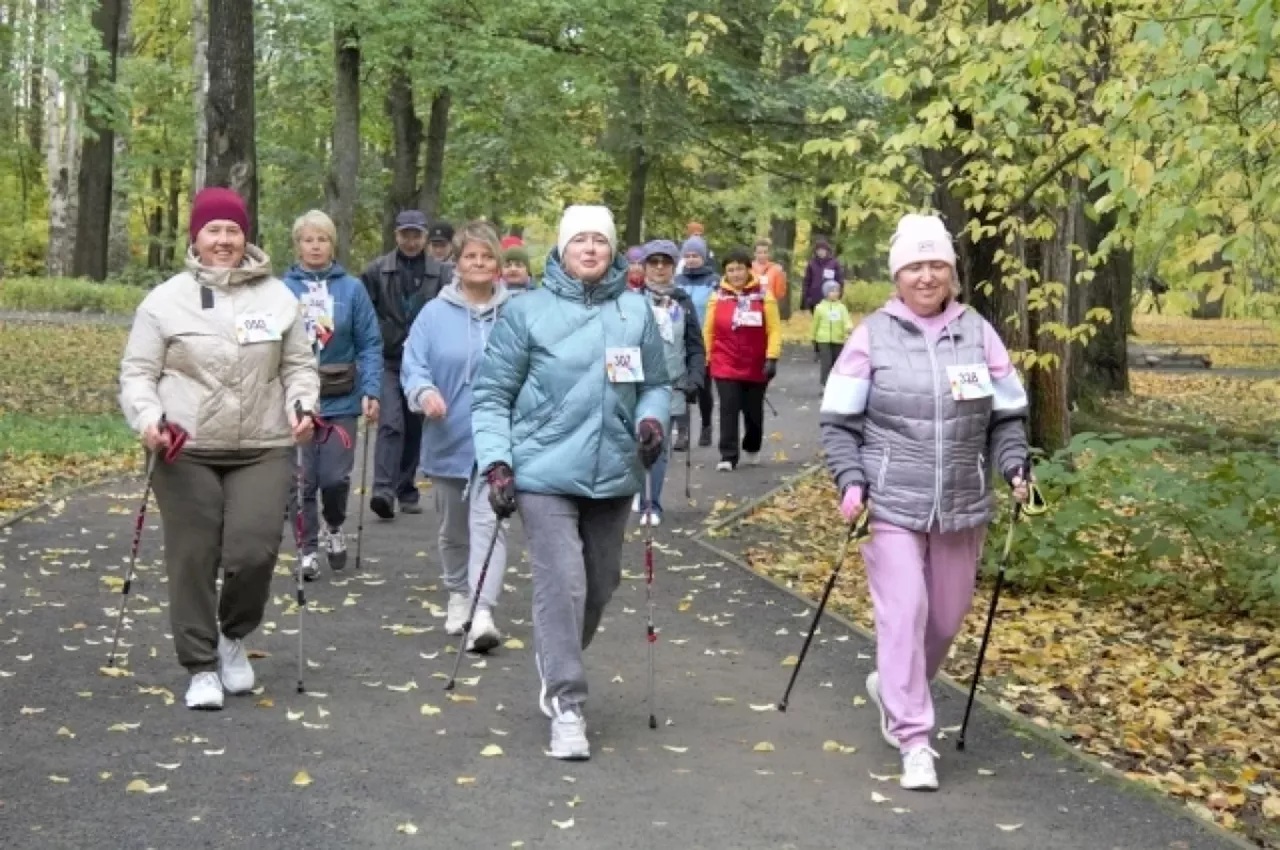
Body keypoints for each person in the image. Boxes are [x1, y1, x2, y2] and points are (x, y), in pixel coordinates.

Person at [819, 213, 1032, 792]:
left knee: (944, 618)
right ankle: (914, 736)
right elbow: (838, 422)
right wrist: (851, 480)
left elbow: (1008, 415)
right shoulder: (872, 335)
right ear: (897, 274)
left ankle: (893, 684)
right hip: (890, 502)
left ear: (952, 273)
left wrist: (1015, 465)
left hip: (963, 501)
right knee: (905, 611)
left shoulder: (979, 333)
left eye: (937, 264)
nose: (927, 275)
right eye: (915, 265)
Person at [472, 205, 670, 760]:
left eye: (599, 242)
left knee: (600, 584)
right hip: (542, 472)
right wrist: (498, 462)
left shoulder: (635, 313)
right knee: (563, 583)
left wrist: (653, 422)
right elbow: (491, 395)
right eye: (578, 241)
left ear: (612, 251)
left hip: (615, 473)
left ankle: (555, 655)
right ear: (560, 250)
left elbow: (656, 384)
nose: (589, 249)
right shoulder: (527, 313)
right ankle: (566, 702)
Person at [119, 187, 319, 711]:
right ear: (196, 237)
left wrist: (302, 405)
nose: (225, 240)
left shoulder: (278, 297)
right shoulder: (164, 300)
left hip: (263, 443)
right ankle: (200, 666)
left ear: (245, 236)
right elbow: (138, 373)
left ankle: (233, 636)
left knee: (253, 551)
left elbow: (298, 365)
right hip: (185, 445)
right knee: (193, 554)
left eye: (233, 230)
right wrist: (148, 418)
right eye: (214, 230)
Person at [402, 221, 512, 652]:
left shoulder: (516, 313)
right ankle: (457, 593)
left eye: (487, 257)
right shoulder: (433, 313)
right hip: (448, 433)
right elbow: (414, 364)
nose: (479, 263)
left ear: (497, 264)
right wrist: (424, 392)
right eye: (471, 256)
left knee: (492, 523)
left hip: (499, 438)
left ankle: (483, 610)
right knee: (453, 528)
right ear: (458, 263)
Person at [282, 210, 383, 580]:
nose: (315, 246)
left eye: (322, 239)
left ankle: (334, 526)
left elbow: (369, 343)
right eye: (308, 239)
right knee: (301, 479)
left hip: (341, 395)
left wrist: (372, 389)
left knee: (334, 478)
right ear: (297, 245)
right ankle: (307, 550)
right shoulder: (282, 289)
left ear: (332, 244)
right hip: (297, 401)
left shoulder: (352, 289)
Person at [360, 210, 452, 520]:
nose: (411, 241)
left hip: (424, 362)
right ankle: (383, 490)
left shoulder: (441, 274)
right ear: (396, 235)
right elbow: (366, 314)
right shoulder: (376, 271)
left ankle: (406, 488)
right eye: (405, 234)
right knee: (391, 423)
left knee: (414, 426)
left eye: (417, 235)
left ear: (425, 237)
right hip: (387, 358)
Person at [634, 238, 705, 524]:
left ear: (673, 266)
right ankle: (637, 491)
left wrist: (695, 377)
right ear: (645, 266)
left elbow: (695, 345)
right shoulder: (631, 299)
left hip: (671, 384)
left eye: (665, 262)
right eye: (654, 262)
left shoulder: (682, 301)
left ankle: (652, 503)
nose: (660, 267)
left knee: (658, 445)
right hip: (635, 384)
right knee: (634, 444)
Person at [703, 246, 781, 471]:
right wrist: (705, 359)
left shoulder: (764, 295)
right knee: (728, 407)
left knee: (752, 410)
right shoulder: (717, 296)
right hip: (724, 361)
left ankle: (752, 445)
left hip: (756, 363)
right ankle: (728, 455)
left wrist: (772, 357)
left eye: (739, 269)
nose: (735, 274)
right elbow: (708, 330)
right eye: (730, 270)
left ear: (748, 270)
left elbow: (774, 329)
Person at [675, 234, 719, 447]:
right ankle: (682, 432)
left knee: (703, 388)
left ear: (703, 257)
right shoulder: (676, 282)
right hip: (679, 341)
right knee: (681, 386)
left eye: (695, 255)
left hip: (704, 343)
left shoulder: (713, 282)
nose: (691, 259)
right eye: (688, 255)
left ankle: (706, 426)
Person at [811, 280, 853, 387]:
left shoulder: (841, 307)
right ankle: (824, 385)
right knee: (826, 363)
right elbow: (815, 324)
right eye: (832, 291)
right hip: (823, 340)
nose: (835, 293)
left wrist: (849, 328)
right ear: (826, 293)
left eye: (837, 291)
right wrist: (814, 338)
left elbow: (846, 320)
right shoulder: (820, 308)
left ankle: (835, 385)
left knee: (836, 364)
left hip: (838, 339)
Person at [801, 235, 844, 312]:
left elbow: (839, 280)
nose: (820, 252)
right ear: (816, 251)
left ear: (827, 250)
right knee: (818, 321)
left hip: (830, 298)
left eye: (822, 250)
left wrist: (839, 295)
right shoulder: (811, 264)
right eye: (818, 250)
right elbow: (807, 281)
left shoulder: (834, 263)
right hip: (814, 299)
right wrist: (806, 297)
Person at [752, 238, 788, 306]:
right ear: (754, 253)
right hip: (752, 306)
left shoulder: (776, 269)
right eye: (759, 252)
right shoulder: (748, 269)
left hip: (769, 305)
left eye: (765, 252)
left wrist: (782, 279)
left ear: (769, 253)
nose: (762, 255)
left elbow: (779, 294)